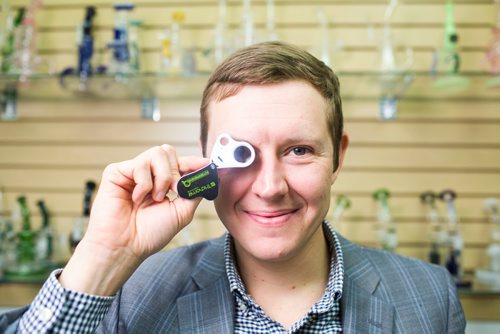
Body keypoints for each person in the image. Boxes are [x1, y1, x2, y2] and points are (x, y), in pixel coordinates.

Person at [1, 41, 465, 333]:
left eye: (299, 150)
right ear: (206, 156)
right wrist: (103, 257)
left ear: (338, 156)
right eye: (241, 153)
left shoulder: (429, 297)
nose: (269, 187)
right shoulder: (132, 294)